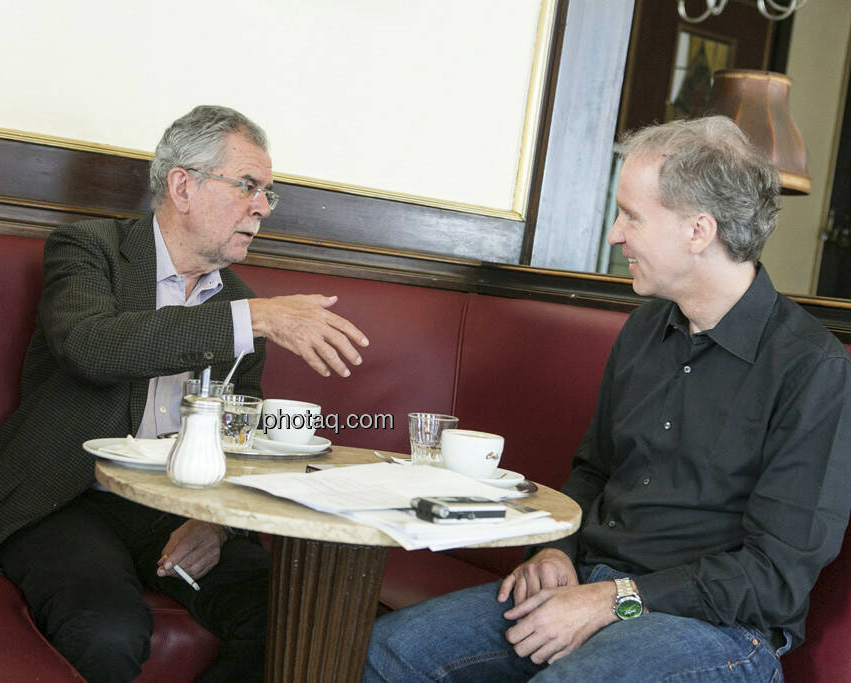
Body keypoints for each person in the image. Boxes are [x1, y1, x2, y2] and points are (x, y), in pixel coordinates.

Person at [365, 116, 851, 682]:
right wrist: (554, 552)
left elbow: (773, 578)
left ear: (698, 231)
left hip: (720, 630)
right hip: (589, 584)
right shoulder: (645, 329)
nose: (616, 234)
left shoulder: (812, 368)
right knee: (389, 649)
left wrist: (611, 600)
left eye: (632, 216)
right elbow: (592, 472)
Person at [0, 105, 369, 683]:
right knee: (108, 628)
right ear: (183, 186)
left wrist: (216, 524)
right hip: (65, 496)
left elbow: (242, 433)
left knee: (294, 623)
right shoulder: (89, 250)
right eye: (249, 186)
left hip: (174, 508)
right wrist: (250, 318)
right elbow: (90, 347)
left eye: (268, 194)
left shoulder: (246, 307)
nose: (262, 207)